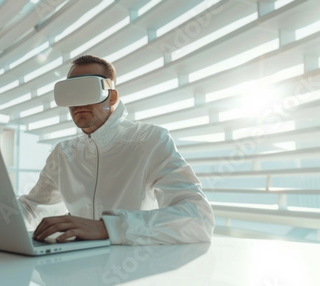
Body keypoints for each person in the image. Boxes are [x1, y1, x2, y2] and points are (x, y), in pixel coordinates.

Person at [18, 55, 215, 245]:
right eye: (71, 92)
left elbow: (198, 218)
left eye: (87, 90)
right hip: (75, 267)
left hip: (132, 269)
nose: (78, 102)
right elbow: (33, 208)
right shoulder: (64, 154)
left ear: (112, 97)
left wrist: (109, 228)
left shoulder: (150, 140)